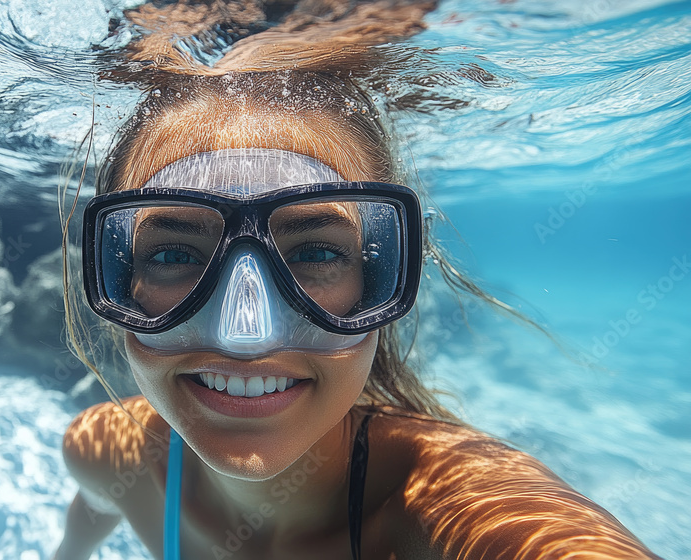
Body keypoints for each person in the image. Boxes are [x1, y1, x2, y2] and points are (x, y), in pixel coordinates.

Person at [53, 1, 663, 559]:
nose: (246, 337)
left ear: (378, 278)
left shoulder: (456, 510)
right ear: (115, 276)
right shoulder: (108, 455)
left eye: (317, 251)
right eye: (170, 256)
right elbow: (85, 521)